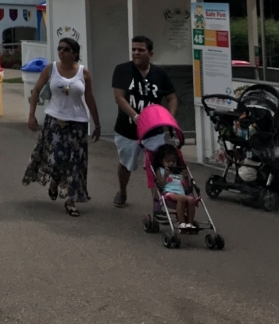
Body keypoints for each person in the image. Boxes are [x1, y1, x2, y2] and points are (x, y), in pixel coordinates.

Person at [23, 37, 102, 217]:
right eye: (59, 48)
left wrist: (97, 124)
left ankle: (70, 200)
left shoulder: (83, 73)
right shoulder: (50, 69)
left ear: (74, 53)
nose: (61, 51)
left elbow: (89, 98)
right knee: (55, 158)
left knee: (75, 163)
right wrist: (31, 114)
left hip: (78, 123)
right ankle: (54, 182)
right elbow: (36, 90)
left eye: (66, 49)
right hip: (54, 122)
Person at [111, 35, 177, 208]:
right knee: (126, 164)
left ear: (151, 53)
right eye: (133, 50)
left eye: (141, 50)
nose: (136, 53)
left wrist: (169, 118)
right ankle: (122, 191)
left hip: (153, 131)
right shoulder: (122, 70)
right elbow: (119, 97)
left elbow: (172, 98)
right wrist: (136, 117)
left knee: (156, 166)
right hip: (127, 130)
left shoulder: (160, 74)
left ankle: (158, 202)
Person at [155, 144, 196, 229]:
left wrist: (185, 177)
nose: (171, 163)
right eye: (168, 161)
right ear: (161, 161)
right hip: (168, 194)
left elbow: (187, 189)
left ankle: (190, 223)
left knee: (191, 199)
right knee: (182, 198)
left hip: (182, 194)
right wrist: (166, 175)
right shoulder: (161, 170)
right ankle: (181, 224)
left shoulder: (179, 172)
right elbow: (161, 185)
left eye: (173, 161)